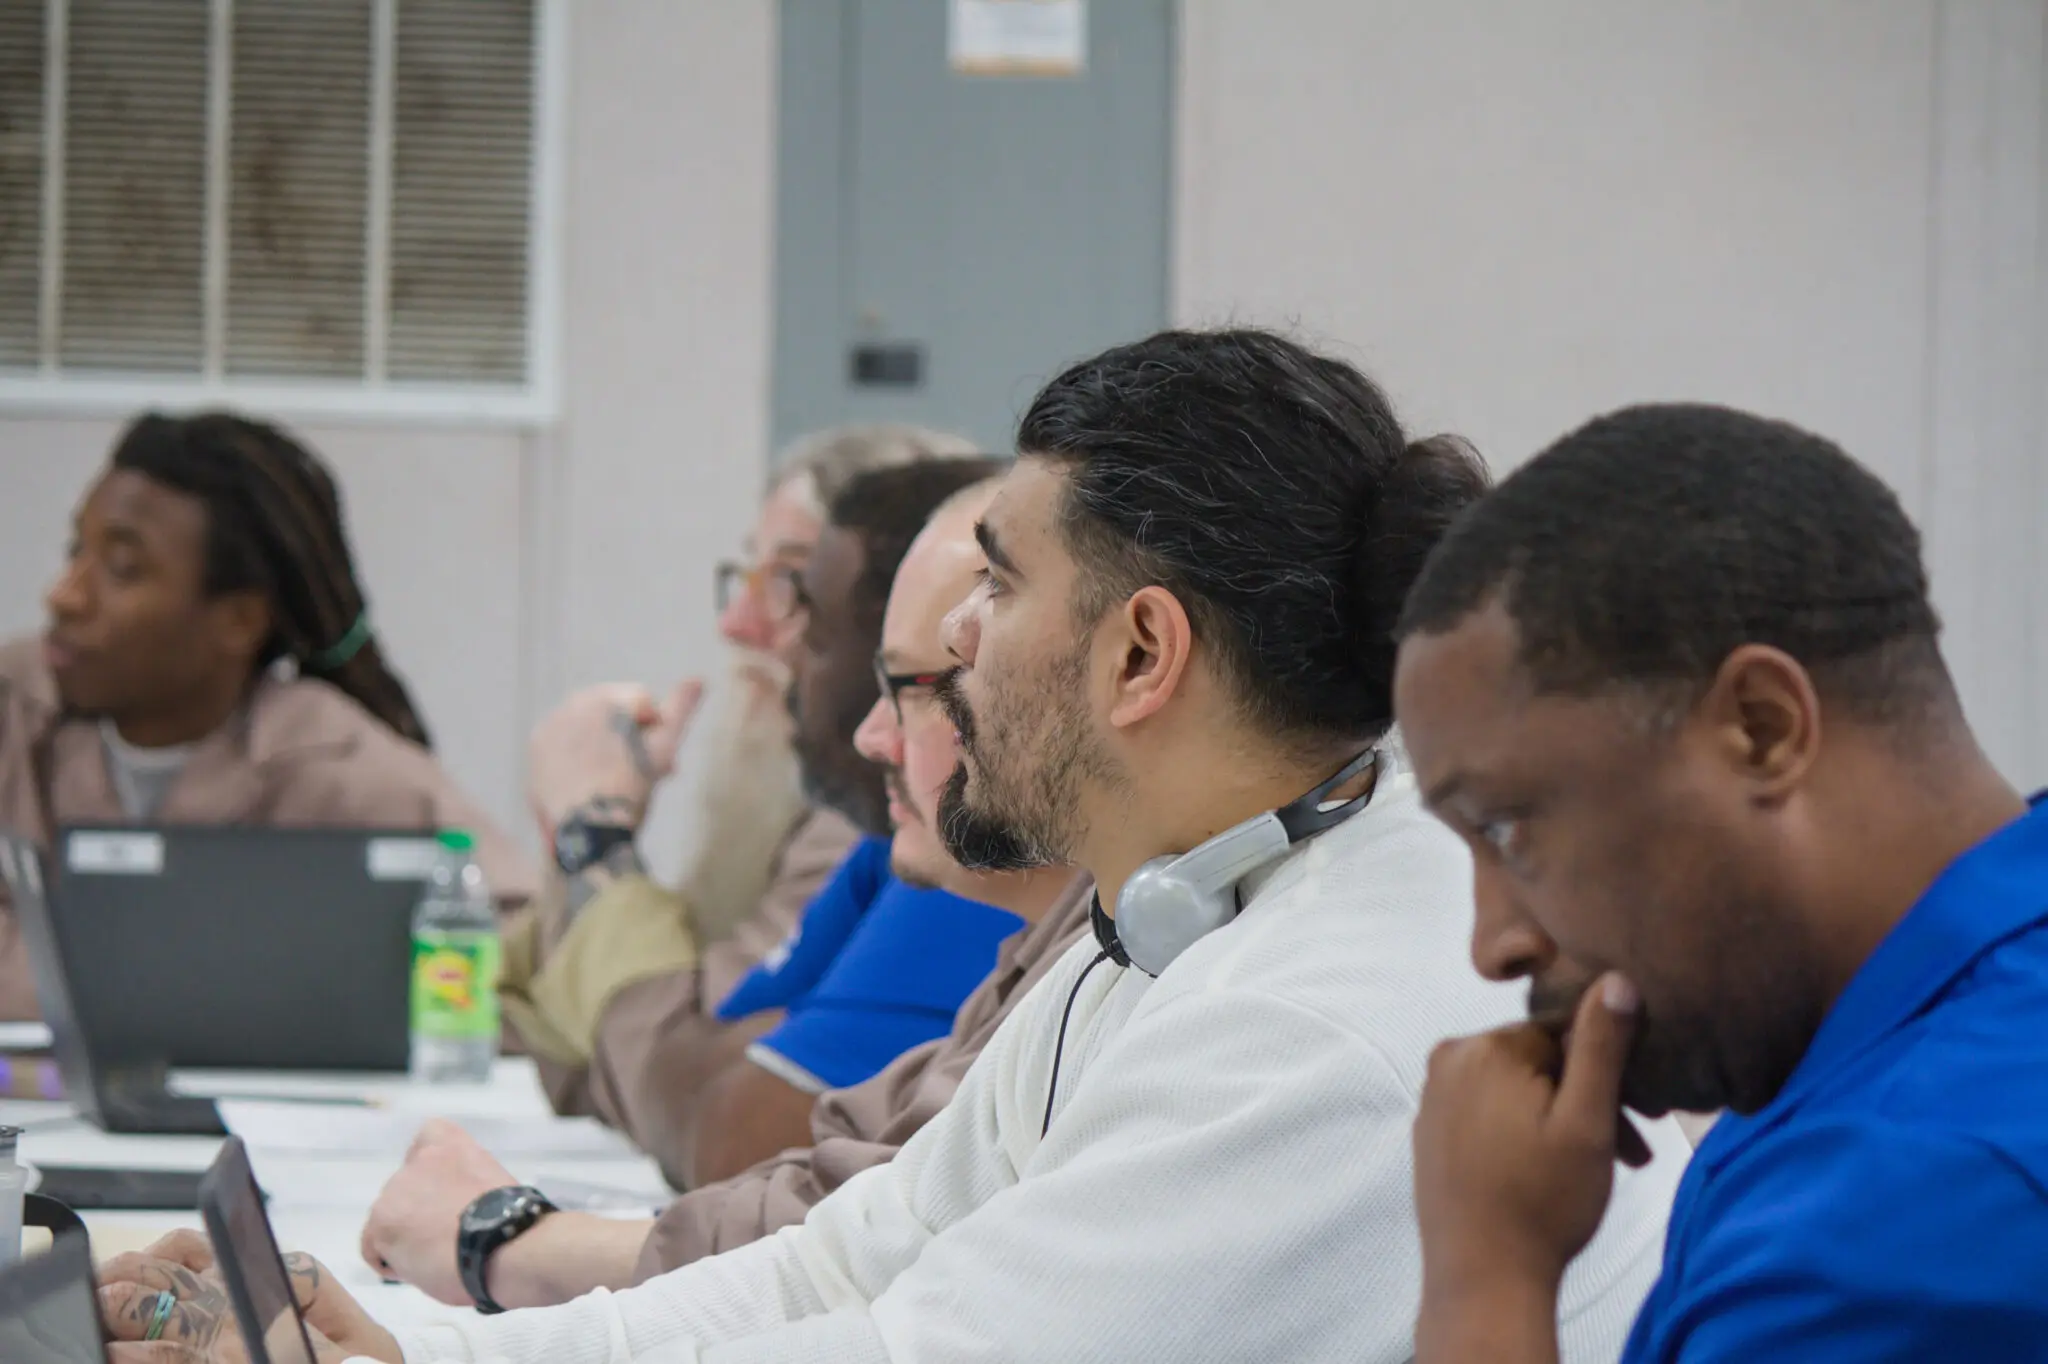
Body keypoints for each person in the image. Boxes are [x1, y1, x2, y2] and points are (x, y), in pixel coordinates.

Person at [102, 329, 1686, 1364]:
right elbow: (844, 1268)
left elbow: (903, 1351)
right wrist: (404, 1345)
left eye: (997, 586)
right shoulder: (1177, 911)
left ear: (1143, 654)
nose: (954, 647)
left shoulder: (1306, 1024)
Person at [1395, 404, 2048, 1362]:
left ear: (1762, 729)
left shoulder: (1905, 1215)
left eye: (1505, 828)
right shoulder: (1874, 1041)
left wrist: (1486, 1278)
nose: (1493, 946)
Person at [356, 479, 1090, 1309]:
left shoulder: (969, 879)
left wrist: (505, 1240)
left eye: (795, 597)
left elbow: (730, 1132)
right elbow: (689, 1085)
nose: (746, 628)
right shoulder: (926, 871)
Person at [500, 427, 978, 1147]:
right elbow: (623, 1066)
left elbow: (693, 1094)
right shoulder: (848, 825)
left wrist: (593, 838)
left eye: (792, 587)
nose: (738, 624)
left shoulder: (907, 833)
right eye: (747, 577)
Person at [0, 411, 533, 1021]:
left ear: (240, 621)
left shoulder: (337, 765)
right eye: (76, 551)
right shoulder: (15, 708)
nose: (64, 594)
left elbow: (525, 972)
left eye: (122, 568)